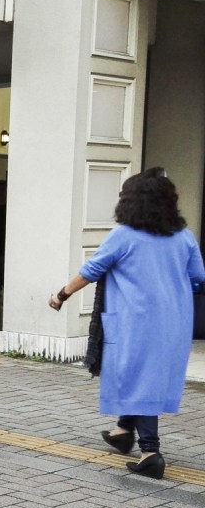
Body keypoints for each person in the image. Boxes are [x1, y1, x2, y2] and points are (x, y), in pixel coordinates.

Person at [49, 168, 205, 480]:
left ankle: (150, 452)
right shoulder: (184, 237)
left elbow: (92, 268)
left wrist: (62, 294)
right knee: (144, 375)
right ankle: (123, 431)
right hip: (174, 322)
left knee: (141, 379)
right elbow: (198, 278)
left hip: (136, 320)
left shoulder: (124, 235)